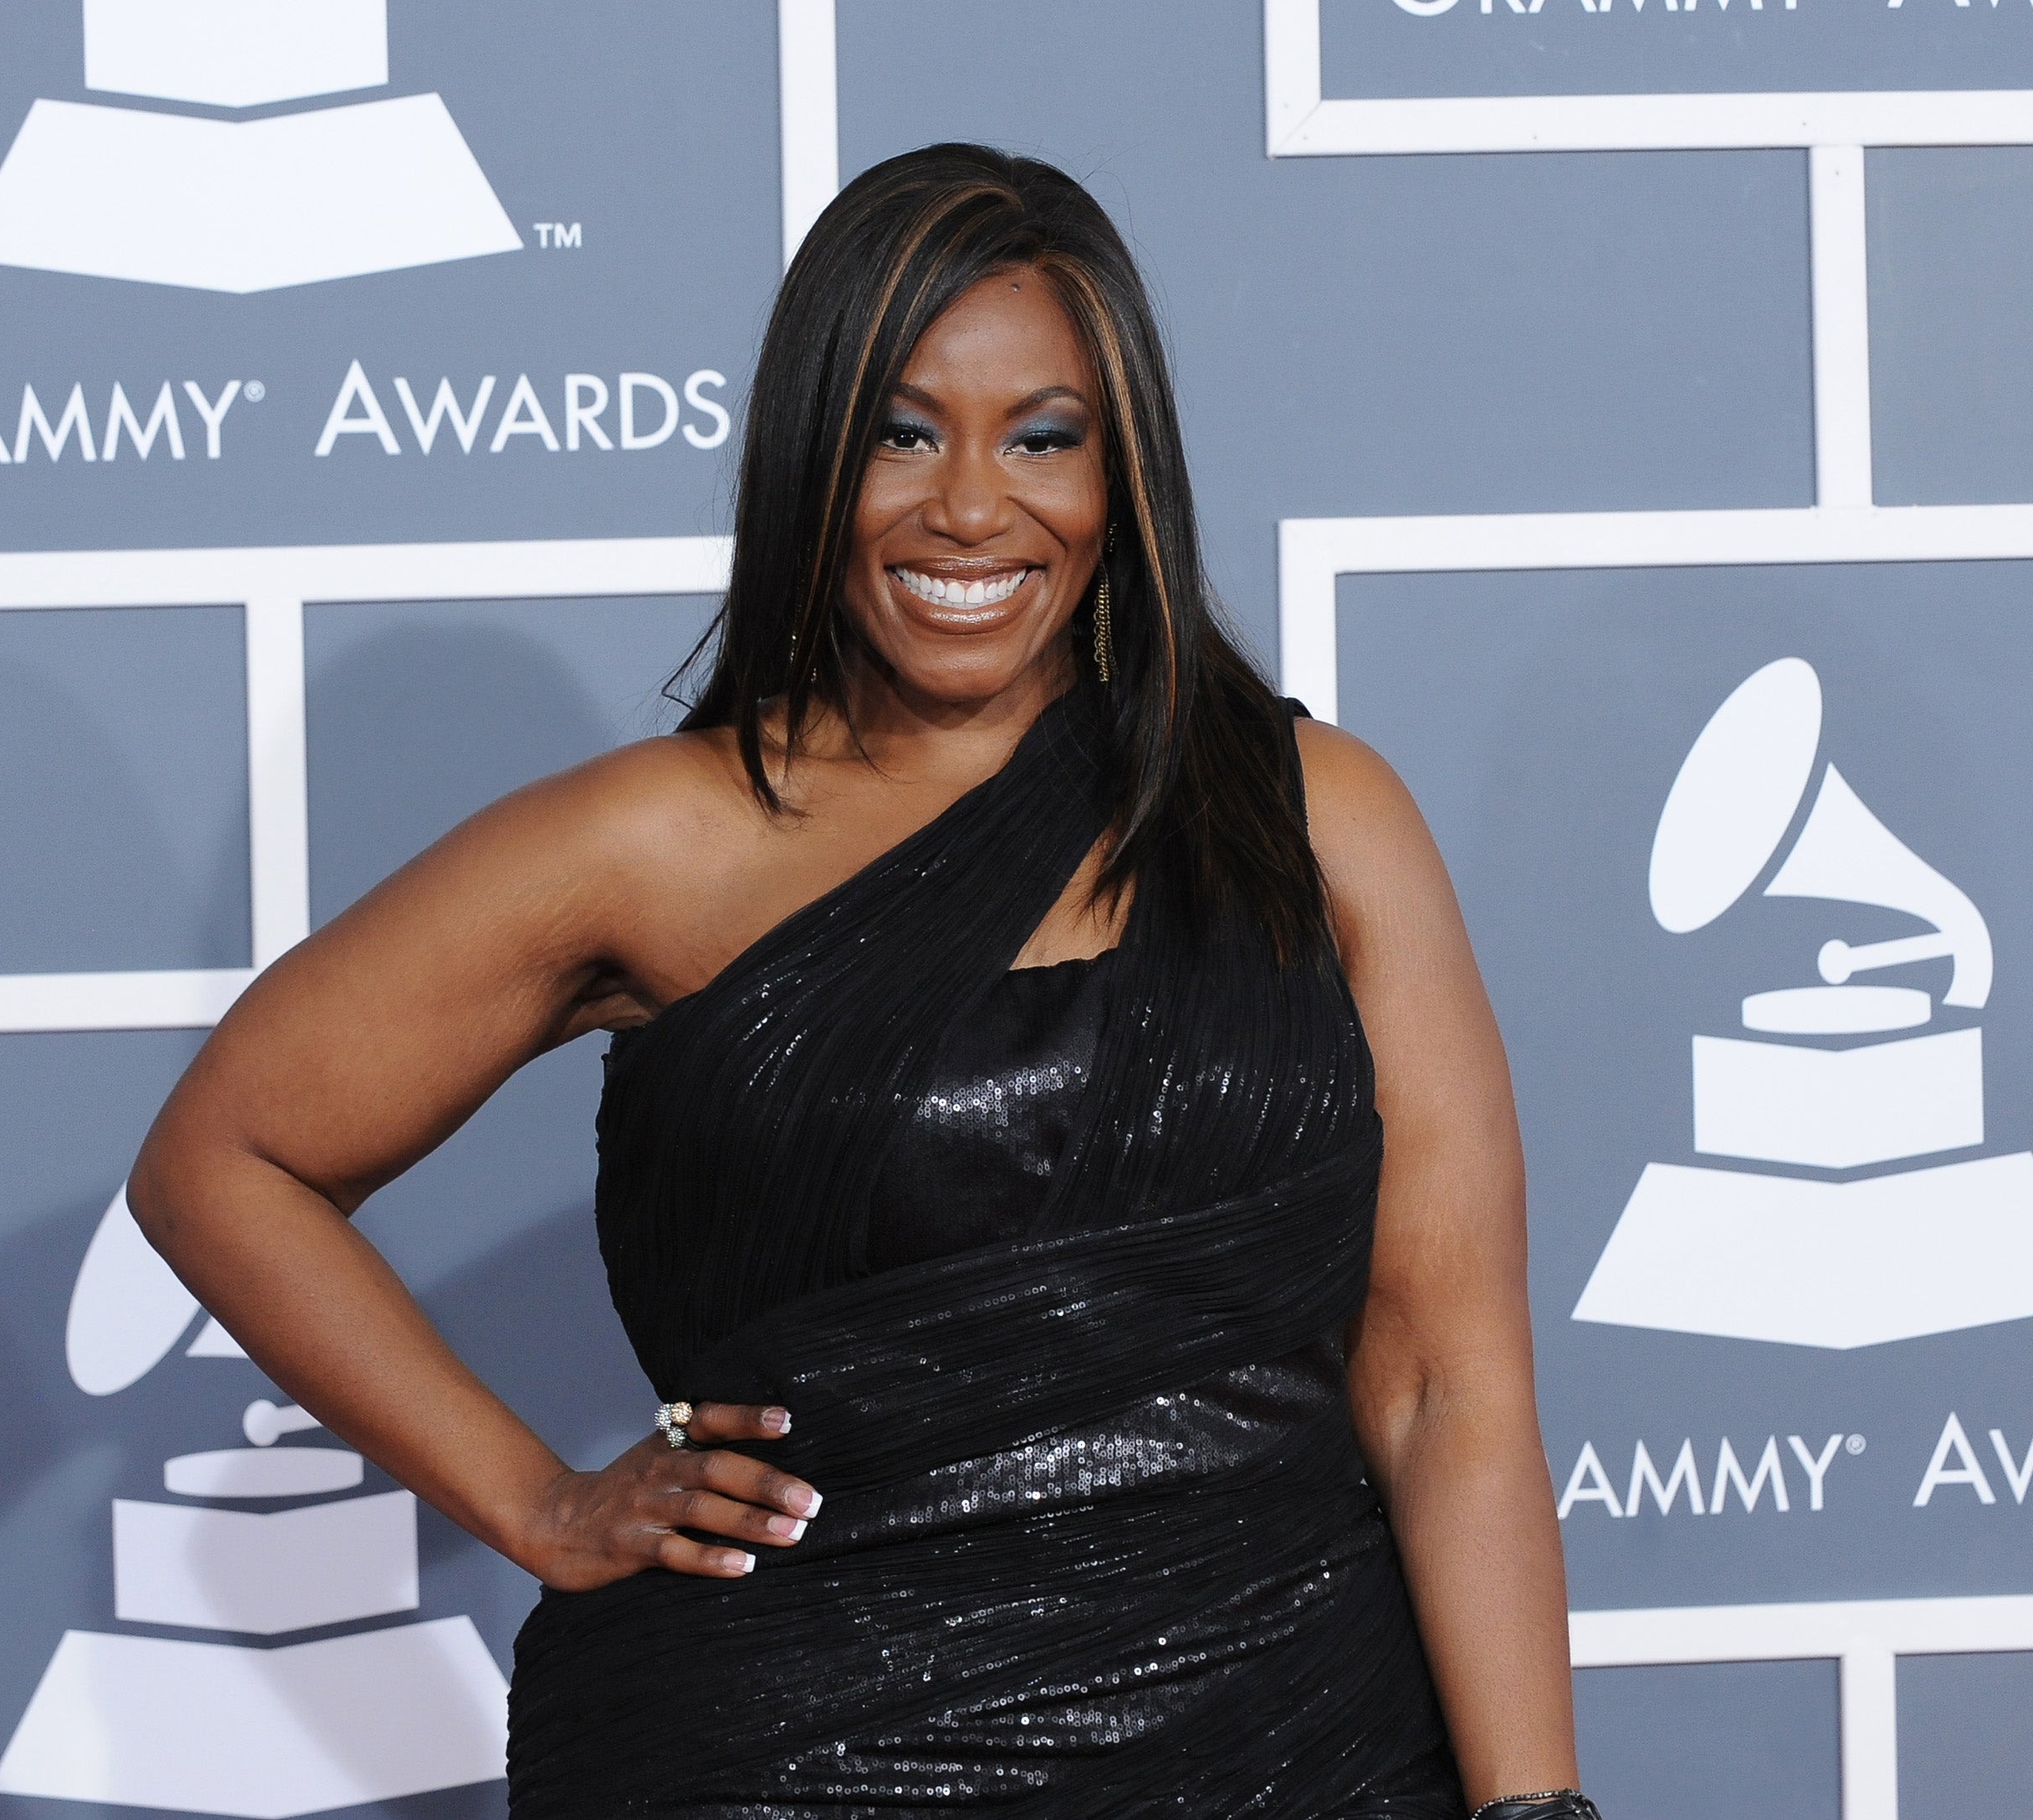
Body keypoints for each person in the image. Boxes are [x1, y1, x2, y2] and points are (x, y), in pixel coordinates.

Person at [128, 143, 1590, 1818]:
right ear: (813, 458)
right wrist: (535, 1501)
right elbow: (223, 1160)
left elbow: (1442, 1387)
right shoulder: (655, 843)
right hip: (788, 1759)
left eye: (1045, 437)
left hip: (1304, 1753)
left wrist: (1534, 1807)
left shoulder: (1318, 818)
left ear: (1125, 481)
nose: (972, 506)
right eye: (904, 433)